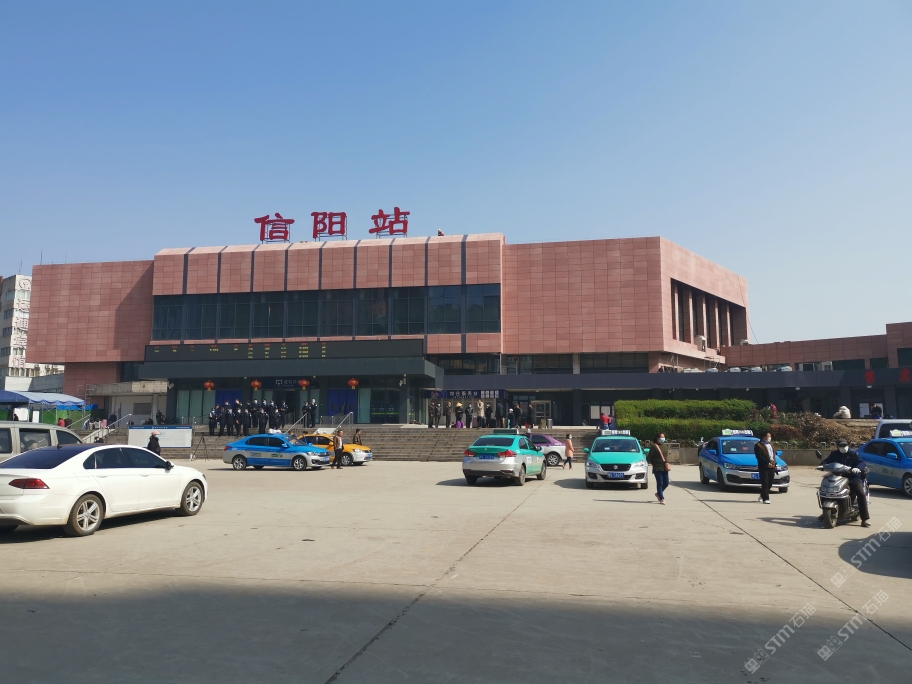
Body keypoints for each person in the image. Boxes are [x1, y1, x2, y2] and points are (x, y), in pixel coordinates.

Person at [820, 439, 870, 527]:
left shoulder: (853, 454)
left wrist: (858, 468)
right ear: (838, 447)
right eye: (841, 446)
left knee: (861, 494)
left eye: (845, 445)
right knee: (824, 491)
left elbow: (861, 463)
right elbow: (826, 461)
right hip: (838, 476)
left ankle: (864, 519)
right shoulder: (834, 454)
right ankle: (825, 511)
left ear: (848, 445)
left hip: (852, 477)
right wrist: (822, 465)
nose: (843, 447)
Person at [753, 432, 776, 504]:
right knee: (765, 482)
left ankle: (762, 495)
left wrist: (774, 463)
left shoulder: (771, 444)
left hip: (772, 466)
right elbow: (759, 456)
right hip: (763, 466)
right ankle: (766, 498)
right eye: (768, 436)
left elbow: (773, 455)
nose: (770, 438)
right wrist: (767, 463)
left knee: (770, 483)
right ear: (764, 437)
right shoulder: (758, 445)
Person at [648, 433, 669, 504]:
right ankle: (661, 498)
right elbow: (649, 457)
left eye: (664, 437)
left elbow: (666, 456)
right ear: (657, 438)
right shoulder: (654, 446)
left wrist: (667, 463)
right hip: (657, 468)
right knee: (660, 483)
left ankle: (658, 493)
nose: (663, 438)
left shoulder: (665, 446)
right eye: (661, 437)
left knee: (666, 483)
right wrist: (654, 464)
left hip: (665, 467)